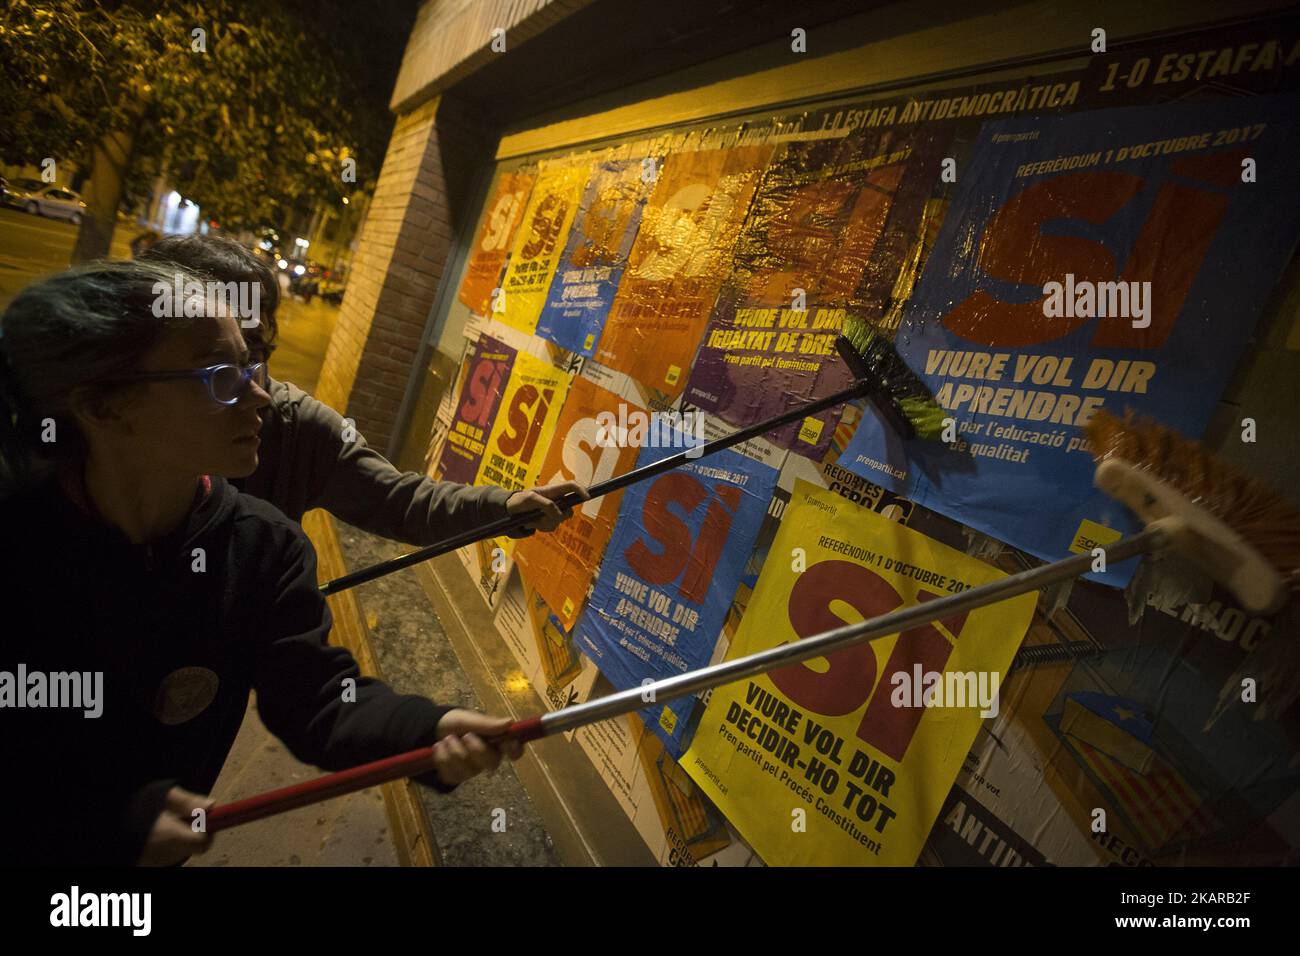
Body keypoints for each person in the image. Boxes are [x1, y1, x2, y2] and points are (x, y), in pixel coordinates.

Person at [0, 259, 523, 866]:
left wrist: (424, 729)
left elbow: (320, 698)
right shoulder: (21, 540)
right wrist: (108, 817)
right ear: (107, 407)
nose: (262, 398)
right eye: (221, 378)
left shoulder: (263, 548)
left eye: (255, 368)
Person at [138, 235, 585, 545]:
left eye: (257, 353)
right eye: (219, 364)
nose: (256, 391)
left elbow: (397, 500)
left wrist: (503, 507)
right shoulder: (90, 436)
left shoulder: (296, 429)